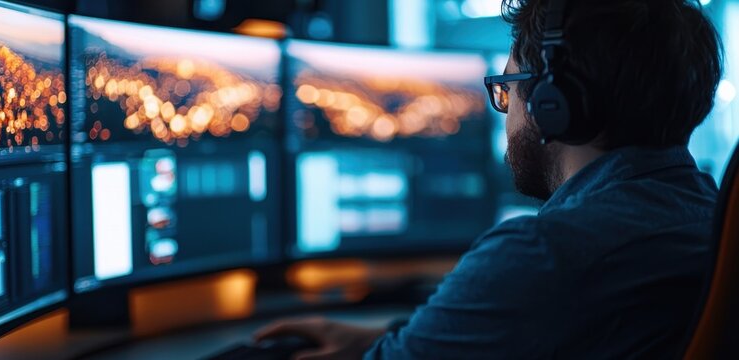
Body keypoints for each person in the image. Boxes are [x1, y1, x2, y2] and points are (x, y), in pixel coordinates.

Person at [254, 0, 724, 358]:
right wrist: (383, 336)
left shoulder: (545, 253)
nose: (506, 110)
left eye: (508, 88)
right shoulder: (713, 225)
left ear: (554, 102)